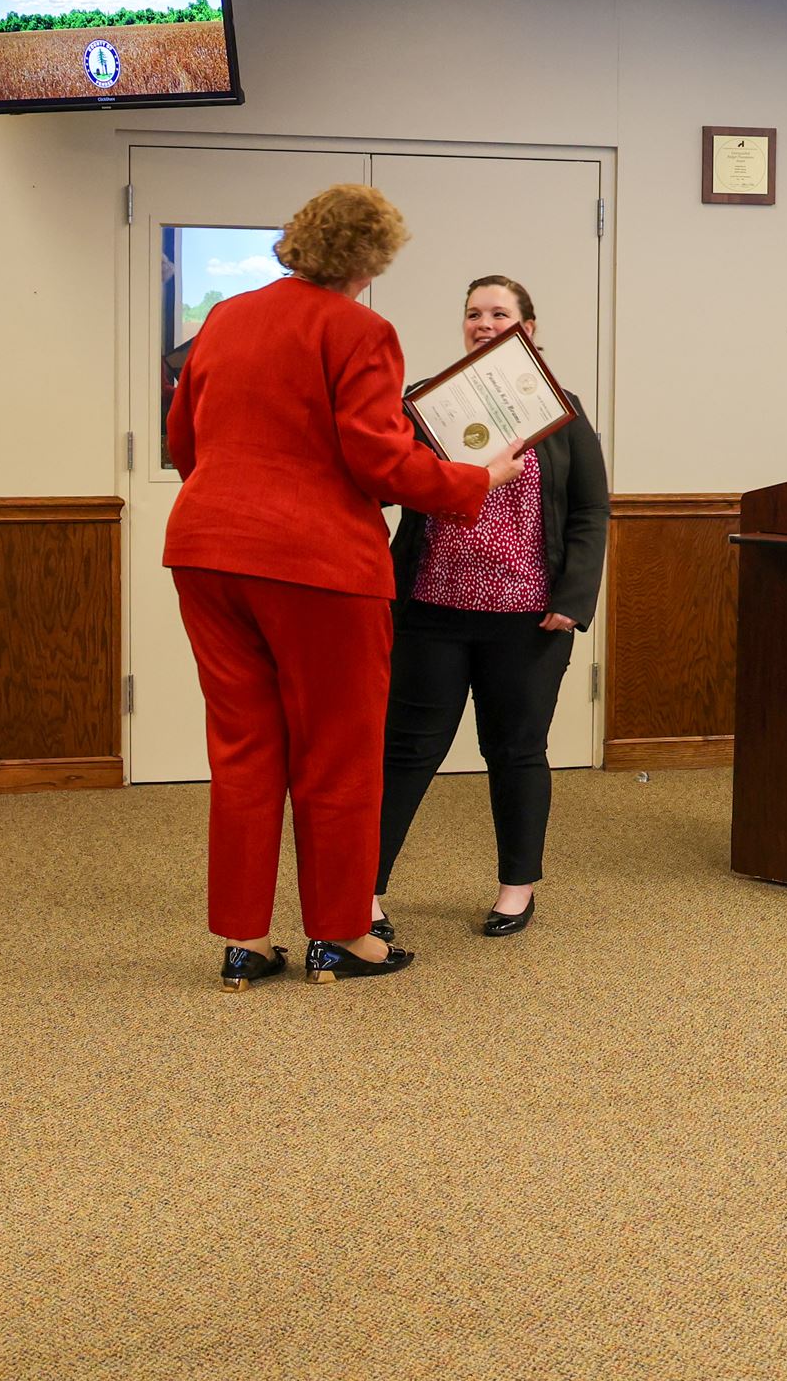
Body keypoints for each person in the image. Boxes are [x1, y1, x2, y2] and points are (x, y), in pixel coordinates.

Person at [163, 185, 522, 989]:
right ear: (372, 260)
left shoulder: (224, 318)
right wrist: (476, 479)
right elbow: (377, 459)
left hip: (206, 553)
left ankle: (245, 943)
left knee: (245, 749)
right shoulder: (362, 330)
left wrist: (233, 507)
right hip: (318, 566)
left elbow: (182, 436)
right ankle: (340, 936)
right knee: (339, 752)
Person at [374, 276, 609, 939]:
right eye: (473, 313)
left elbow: (591, 510)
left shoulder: (562, 411)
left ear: (529, 328)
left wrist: (573, 599)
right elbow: (392, 483)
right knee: (406, 751)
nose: (483, 322)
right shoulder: (427, 408)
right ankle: (361, 892)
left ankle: (516, 887)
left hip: (528, 619)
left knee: (516, 751)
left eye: (499, 312)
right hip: (431, 610)